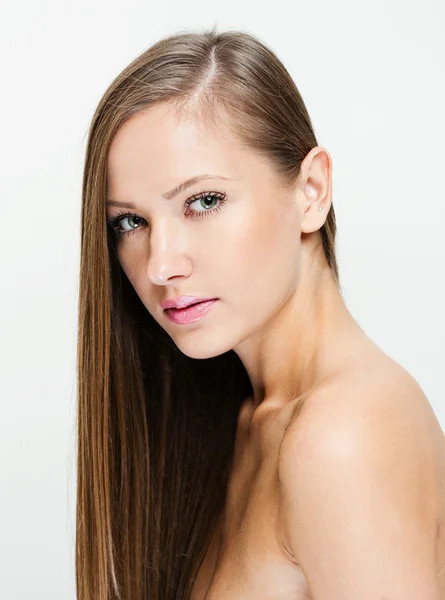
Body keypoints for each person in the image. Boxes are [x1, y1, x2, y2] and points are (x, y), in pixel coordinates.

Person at [75, 26, 445, 600]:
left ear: (312, 190)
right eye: (130, 221)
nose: (159, 265)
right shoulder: (243, 415)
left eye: (203, 201)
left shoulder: (342, 436)